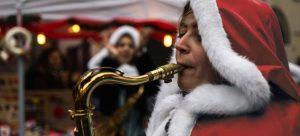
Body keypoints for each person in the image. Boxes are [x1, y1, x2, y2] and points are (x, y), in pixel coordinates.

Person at [146, 0, 300, 136]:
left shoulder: (290, 124)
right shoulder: (173, 115)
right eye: (182, 32)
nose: (179, 44)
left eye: (201, 37)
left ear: (238, 51)